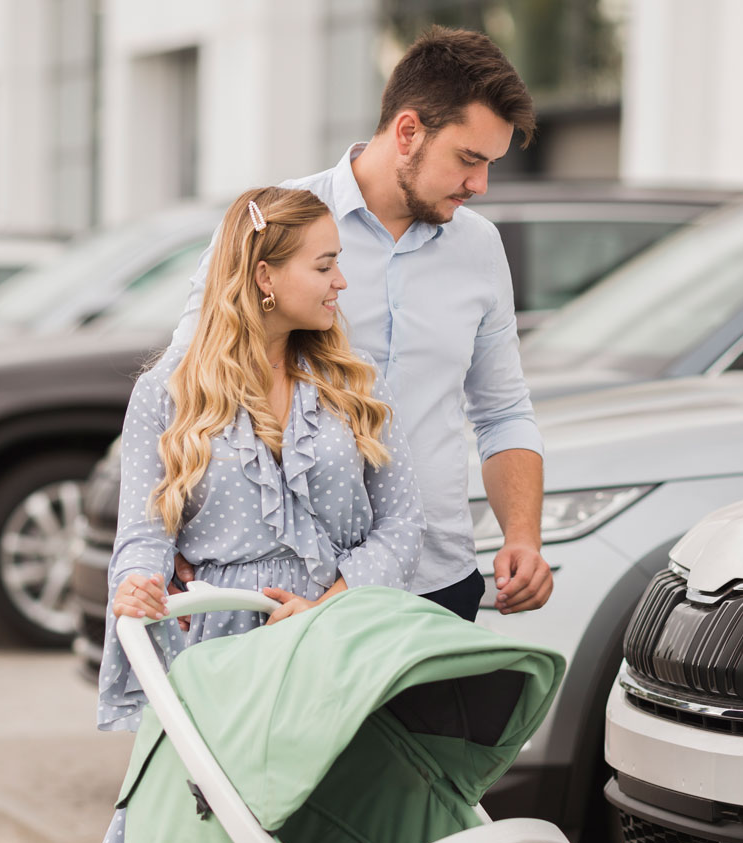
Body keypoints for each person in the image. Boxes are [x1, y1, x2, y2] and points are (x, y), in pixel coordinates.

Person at [92, 186, 425, 843]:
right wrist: (138, 582)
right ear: (265, 277)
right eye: (325, 264)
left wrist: (332, 601)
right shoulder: (168, 391)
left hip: (339, 647)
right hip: (224, 662)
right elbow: (143, 531)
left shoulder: (355, 383)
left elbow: (401, 524)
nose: (342, 281)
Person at [167, 26, 553, 622]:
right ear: (408, 132)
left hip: (439, 583)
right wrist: (164, 538)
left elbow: (502, 412)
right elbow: (188, 381)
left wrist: (523, 536)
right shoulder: (275, 223)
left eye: (489, 165)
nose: (480, 185)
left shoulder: (480, 247)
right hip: (296, 589)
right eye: (469, 159)